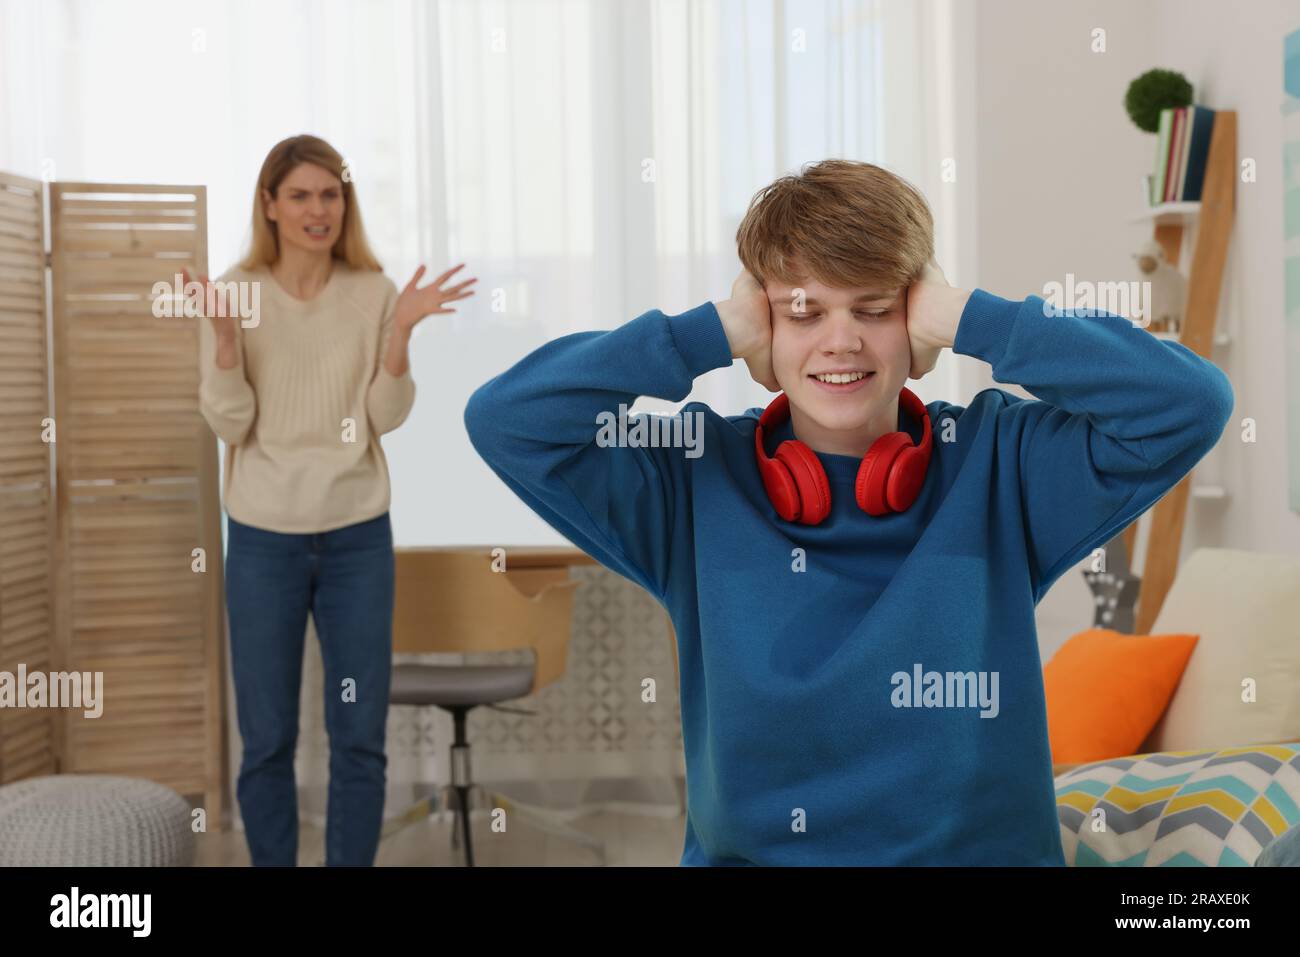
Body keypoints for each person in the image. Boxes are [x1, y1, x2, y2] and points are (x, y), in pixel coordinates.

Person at [462, 158, 1234, 865]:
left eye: (874, 309)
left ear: (917, 327)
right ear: (763, 331)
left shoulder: (1003, 462)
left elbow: (1190, 402)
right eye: (803, 313)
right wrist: (709, 333)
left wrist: (972, 317)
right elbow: (507, 419)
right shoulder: (690, 476)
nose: (842, 341)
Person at [191, 134, 475, 866]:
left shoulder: (374, 293)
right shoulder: (234, 292)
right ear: (269, 205)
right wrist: (224, 341)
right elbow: (230, 424)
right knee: (267, 739)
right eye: (300, 195)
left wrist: (400, 333)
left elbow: (384, 416)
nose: (317, 209)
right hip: (263, 539)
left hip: (356, 537)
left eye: (330, 194)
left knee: (358, 737)